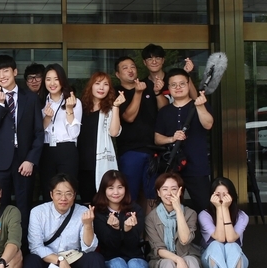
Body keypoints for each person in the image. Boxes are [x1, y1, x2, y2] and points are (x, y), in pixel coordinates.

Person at [0, 54, 44, 252]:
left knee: (23, 206)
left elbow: (38, 133)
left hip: (23, 160)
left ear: (15, 72)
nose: (1, 75)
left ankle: (23, 249)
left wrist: (31, 160)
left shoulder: (30, 98)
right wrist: (0, 105)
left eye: (5, 71)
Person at [154, 68, 213, 213]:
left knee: (204, 207)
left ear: (188, 84)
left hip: (197, 166)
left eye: (182, 84)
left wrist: (200, 107)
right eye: (173, 85)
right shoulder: (164, 111)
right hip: (172, 167)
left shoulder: (200, 104)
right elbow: (157, 139)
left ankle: (206, 229)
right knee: (170, 208)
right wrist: (171, 138)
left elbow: (208, 124)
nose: (178, 87)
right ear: (168, 88)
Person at [114, 56, 167, 213]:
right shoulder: (117, 92)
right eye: (125, 68)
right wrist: (138, 93)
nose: (130, 70)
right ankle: (131, 226)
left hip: (153, 150)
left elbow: (164, 110)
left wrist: (157, 92)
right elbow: (128, 117)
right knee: (130, 194)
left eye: (132, 66)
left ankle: (150, 228)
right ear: (117, 74)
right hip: (130, 151)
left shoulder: (149, 86)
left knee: (152, 195)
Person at [198, 177, 249, 268]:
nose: (221, 199)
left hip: (237, 261)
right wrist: (219, 209)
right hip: (212, 263)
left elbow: (230, 238)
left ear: (232, 196)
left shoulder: (242, 216)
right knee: (216, 244)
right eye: (217, 194)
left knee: (232, 245)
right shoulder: (204, 215)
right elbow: (220, 238)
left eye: (225, 194)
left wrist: (224, 209)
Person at [77, 71, 125, 205]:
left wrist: (116, 107)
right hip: (81, 161)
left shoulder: (109, 109)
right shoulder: (80, 107)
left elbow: (114, 132)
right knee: (86, 203)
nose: (101, 88)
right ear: (91, 86)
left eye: (106, 84)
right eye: (97, 83)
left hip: (101, 162)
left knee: (103, 202)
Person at [39, 63, 81, 200]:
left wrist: (69, 109)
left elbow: (74, 133)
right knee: (48, 190)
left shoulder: (74, 102)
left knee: (67, 189)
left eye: (56, 79)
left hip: (67, 149)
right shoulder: (40, 102)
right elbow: (38, 131)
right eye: (48, 79)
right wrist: (47, 118)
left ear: (62, 80)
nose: (52, 83)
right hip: (46, 150)